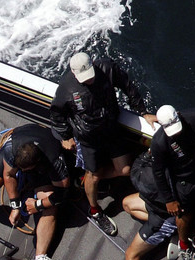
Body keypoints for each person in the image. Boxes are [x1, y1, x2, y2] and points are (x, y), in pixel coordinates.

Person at [48, 52, 154, 236]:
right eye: (84, 78)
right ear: (74, 73)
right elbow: (56, 114)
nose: (89, 81)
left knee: (125, 170)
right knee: (93, 175)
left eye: (91, 75)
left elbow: (128, 86)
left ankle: (87, 181)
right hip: (88, 138)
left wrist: (142, 111)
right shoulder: (66, 88)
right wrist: (65, 136)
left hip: (111, 129)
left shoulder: (108, 68)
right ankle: (95, 209)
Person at [0, 124, 75, 260]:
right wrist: (15, 206)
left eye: (23, 171)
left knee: (51, 207)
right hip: (20, 146)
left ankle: (41, 258)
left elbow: (62, 193)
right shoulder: (12, 149)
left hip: (43, 171)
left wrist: (38, 204)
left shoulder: (54, 160)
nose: (21, 172)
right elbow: (9, 175)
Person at [147, 105, 195, 260]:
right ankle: (183, 244)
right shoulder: (159, 143)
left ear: (179, 115)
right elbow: (158, 173)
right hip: (184, 182)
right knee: (183, 217)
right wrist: (169, 199)